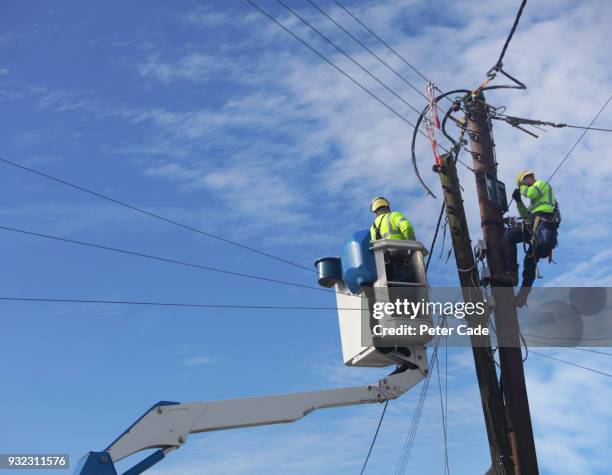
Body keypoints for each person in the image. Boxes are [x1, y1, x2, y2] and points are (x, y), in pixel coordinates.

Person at [501, 170, 560, 306]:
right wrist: (518, 201)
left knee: (508, 238)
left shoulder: (542, 184)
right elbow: (526, 215)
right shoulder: (536, 200)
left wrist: (521, 186)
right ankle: (523, 295)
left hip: (540, 226)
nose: (528, 180)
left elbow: (531, 192)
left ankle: (512, 273)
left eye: (528, 178)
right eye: (525, 179)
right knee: (530, 262)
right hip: (539, 230)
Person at [369, 197, 416, 282]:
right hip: (399, 253)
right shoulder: (394, 215)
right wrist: (413, 245)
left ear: (375, 211)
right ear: (387, 207)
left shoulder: (372, 227)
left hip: (384, 260)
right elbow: (407, 227)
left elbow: (373, 244)